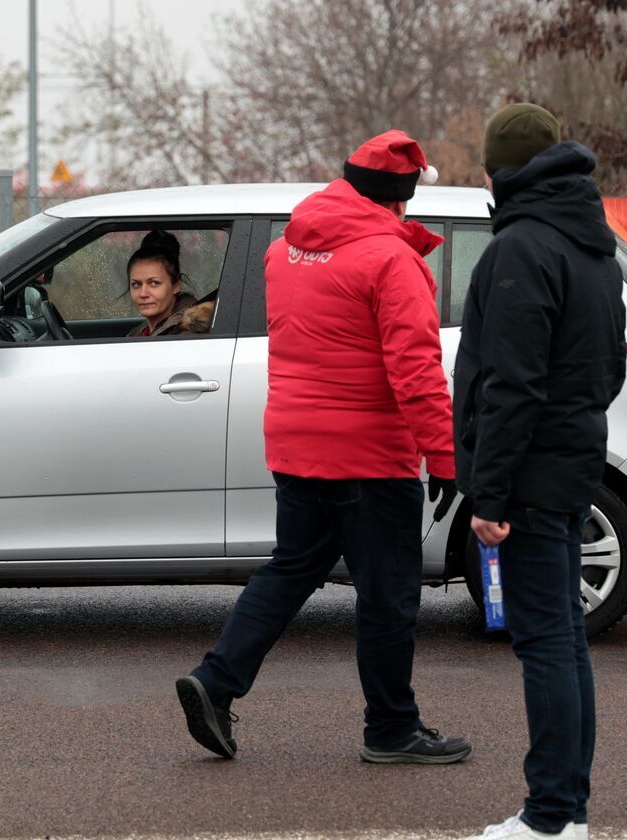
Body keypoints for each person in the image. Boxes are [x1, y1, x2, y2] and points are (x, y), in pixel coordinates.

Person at [175, 130, 468, 764]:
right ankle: (392, 729)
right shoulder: (393, 262)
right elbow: (415, 371)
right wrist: (443, 456)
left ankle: (217, 681)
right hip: (369, 456)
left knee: (291, 569)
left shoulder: (285, 251)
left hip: (296, 445)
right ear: (398, 200)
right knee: (388, 594)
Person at [455, 104, 627, 840]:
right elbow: (610, 370)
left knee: (545, 642)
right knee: (563, 638)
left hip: (527, 476)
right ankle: (568, 810)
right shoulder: (593, 245)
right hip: (571, 462)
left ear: (500, 172)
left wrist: (489, 492)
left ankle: (553, 816)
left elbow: (511, 383)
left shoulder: (522, 248)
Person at [126, 230, 214, 337]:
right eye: (136, 284)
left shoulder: (188, 338)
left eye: (154, 283)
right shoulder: (137, 334)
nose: (143, 293)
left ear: (176, 285)